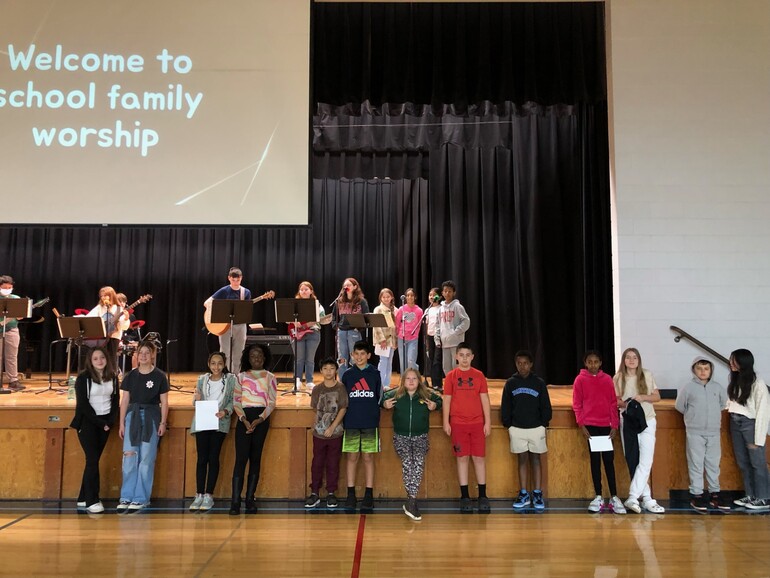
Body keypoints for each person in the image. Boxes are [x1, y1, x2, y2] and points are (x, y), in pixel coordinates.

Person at [382, 367, 442, 521]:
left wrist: (435, 406)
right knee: (408, 463)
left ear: (419, 381)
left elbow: (439, 400)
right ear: (403, 381)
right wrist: (384, 404)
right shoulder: (396, 394)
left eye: (414, 378)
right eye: (408, 378)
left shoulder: (426, 395)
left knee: (418, 463)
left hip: (420, 437)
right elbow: (382, 399)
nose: (411, 381)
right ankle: (412, 501)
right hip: (401, 437)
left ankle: (411, 500)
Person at [117, 340, 170, 513]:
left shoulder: (159, 376)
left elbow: (164, 402)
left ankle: (141, 498)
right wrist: (122, 423)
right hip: (132, 417)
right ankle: (127, 495)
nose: (144, 356)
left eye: (147, 353)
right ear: (137, 355)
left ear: (153, 355)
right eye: (141, 353)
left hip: (151, 417)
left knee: (146, 458)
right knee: (130, 457)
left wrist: (162, 422)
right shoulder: (131, 375)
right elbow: (125, 400)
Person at [573, 350, 625, 514]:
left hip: (606, 426)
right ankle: (598, 496)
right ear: (585, 363)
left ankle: (614, 497)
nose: (593, 365)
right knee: (595, 461)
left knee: (608, 461)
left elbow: (612, 402)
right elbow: (577, 404)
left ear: (600, 363)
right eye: (590, 362)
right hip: (591, 426)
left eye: (596, 361)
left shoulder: (607, 379)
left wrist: (614, 425)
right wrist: (582, 424)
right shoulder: (580, 380)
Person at [614, 347, 665, 514]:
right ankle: (647, 499)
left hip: (648, 420)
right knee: (633, 459)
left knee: (646, 460)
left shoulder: (647, 375)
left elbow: (657, 397)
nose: (631, 360)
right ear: (624, 360)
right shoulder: (618, 377)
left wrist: (643, 397)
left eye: (634, 357)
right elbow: (616, 401)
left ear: (638, 360)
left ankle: (633, 496)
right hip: (628, 421)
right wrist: (626, 403)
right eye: (628, 357)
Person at [675, 356, 730, 511]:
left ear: (711, 370)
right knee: (696, 463)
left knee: (713, 464)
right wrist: (693, 419)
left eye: (706, 369)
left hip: (713, 432)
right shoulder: (688, 388)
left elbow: (723, 404)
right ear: (694, 370)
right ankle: (696, 495)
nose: (703, 371)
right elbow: (680, 406)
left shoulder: (718, 388)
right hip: (695, 432)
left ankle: (715, 494)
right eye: (699, 368)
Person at [442, 342, 491, 513]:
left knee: (479, 458)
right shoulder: (451, 376)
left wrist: (488, 422)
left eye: (467, 355)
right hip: (458, 424)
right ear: (456, 357)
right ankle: (465, 496)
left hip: (477, 423)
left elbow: (484, 399)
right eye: (461, 355)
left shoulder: (478, 376)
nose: (464, 358)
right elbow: (446, 399)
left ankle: (483, 496)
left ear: (472, 357)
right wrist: (446, 421)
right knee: (462, 458)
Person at [70, 346, 119, 514]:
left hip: (105, 423)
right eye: (95, 358)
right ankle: (92, 500)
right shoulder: (83, 378)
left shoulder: (112, 377)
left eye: (102, 358)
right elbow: (83, 405)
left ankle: (83, 497)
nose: (100, 361)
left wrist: (110, 421)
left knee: (93, 460)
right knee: (92, 460)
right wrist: (100, 423)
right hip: (88, 423)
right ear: (90, 361)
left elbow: (115, 400)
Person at [501, 350, 552, 510]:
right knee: (522, 460)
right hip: (517, 427)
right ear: (516, 364)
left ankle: (537, 493)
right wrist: (508, 424)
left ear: (531, 364)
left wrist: (544, 422)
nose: (522, 366)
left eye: (525, 363)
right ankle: (523, 493)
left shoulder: (539, 383)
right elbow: (506, 406)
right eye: (519, 363)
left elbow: (545, 405)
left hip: (536, 427)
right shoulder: (511, 383)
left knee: (536, 460)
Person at [230, 343, 277, 515]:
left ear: (264, 358)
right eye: (252, 356)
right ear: (247, 359)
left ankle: (250, 499)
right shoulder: (241, 377)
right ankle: (235, 501)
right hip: (244, 419)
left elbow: (271, 403)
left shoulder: (270, 377)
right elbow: (236, 401)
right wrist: (243, 419)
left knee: (255, 458)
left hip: (261, 419)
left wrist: (259, 419)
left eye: (259, 356)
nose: (256, 359)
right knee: (241, 460)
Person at [189, 351, 236, 512]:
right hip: (203, 421)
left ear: (224, 365)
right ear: (209, 364)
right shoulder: (202, 379)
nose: (217, 366)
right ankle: (199, 494)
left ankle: (209, 494)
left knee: (213, 457)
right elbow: (195, 402)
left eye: (220, 363)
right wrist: (197, 399)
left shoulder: (230, 379)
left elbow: (232, 401)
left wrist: (226, 411)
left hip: (219, 422)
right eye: (213, 363)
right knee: (202, 459)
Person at [726, 348, 770, 510]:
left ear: (743, 362)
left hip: (749, 425)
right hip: (735, 422)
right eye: (731, 360)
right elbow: (734, 402)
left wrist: (758, 439)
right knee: (743, 462)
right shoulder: (736, 379)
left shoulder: (757, 383)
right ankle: (751, 494)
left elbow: (763, 412)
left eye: (734, 361)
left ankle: (764, 497)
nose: (731, 363)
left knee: (757, 463)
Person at [341, 340, 382, 511]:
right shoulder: (347, 375)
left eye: (362, 354)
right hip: (351, 422)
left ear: (369, 356)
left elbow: (379, 397)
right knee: (351, 457)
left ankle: (368, 493)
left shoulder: (375, 374)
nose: (359, 357)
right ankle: (350, 493)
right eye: (356, 354)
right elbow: (344, 399)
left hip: (369, 422)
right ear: (352, 355)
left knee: (367, 457)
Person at [305, 357, 348, 509]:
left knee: (332, 463)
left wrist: (332, 427)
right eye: (325, 368)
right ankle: (315, 492)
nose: (329, 371)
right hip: (319, 433)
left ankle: (331, 493)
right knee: (317, 463)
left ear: (336, 370)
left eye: (332, 368)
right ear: (321, 371)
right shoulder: (317, 389)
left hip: (335, 433)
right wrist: (319, 425)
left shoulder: (340, 388)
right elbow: (315, 409)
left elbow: (342, 408)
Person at [205, 267, 251, 375]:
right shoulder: (224, 290)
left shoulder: (246, 292)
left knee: (239, 353)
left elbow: (246, 310)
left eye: (238, 280)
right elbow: (207, 302)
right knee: (225, 352)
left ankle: (235, 376)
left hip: (240, 325)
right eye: (233, 280)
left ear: (241, 278)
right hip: (225, 326)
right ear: (229, 278)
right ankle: (224, 375)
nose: (235, 282)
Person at [331, 277, 369, 380]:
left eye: (349, 285)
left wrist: (359, 328)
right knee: (342, 358)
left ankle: (356, 379)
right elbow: (334, 316)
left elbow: (366, 317)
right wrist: (336, 326)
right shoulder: (339, 301)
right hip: (341, 332)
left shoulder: (361, 301)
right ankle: (343, 381)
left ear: (355, 287)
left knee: (355, 356)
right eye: (345, 285)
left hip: (354, 331)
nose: (346, 287)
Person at [288, 281, 325, 384]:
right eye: (301, 290)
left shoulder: (317, 305)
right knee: (299, 359)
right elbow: (286, 317)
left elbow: (321, 318)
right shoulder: (294, 303)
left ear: (311, 291)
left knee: (310, 359)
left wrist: (306, 325)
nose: (303, 291)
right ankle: (297, 381)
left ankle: (309, 381)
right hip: (297, 333)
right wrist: (294, 322)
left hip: (313, 333)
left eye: (306, 289)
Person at [435, 280, 470, 376]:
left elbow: (466, 321)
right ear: (442, 293)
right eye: (445, 291)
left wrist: (455, 332)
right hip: (445, 343)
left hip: (456, 343)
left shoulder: (458, 306)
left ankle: (458, 388)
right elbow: (437, 325)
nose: (447, 293)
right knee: (446, 367)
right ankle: (450, 387)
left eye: (450, 291)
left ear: (454, 293)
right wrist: (437, 339)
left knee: (456, 366)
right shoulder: (440, 309)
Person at [87, 285, 130, 364]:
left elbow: (124, 327)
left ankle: (111, 375)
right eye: (102, 296)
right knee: (100, 359)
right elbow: (88, 318)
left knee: (110, 360)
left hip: (113, 337)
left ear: (111, 296)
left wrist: (126, 318)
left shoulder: (118, 308)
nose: (103, 298)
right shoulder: (99, 307)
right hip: (100, 337)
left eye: (106, 295)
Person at [0, 275, 24, 392]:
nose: (8, 289)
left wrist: (20, 315)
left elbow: (20, 316)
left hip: (12, 330)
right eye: (5, 287)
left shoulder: (16, 298)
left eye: (10, 287)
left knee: (12, 356)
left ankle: (13, 380)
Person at [373, 288, 397, 389]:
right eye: (384, 297)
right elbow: (376, 326)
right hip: (382, 340)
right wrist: (382, 339)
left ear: (391, 297)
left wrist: (395, 341)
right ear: (381, 298)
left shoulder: (395, 309)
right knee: (383, 362)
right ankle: (381, 383)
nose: (386, 299)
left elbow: (396, 327)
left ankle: (387, 384)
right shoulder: (378, 309)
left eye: (388, 297)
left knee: (389, 362)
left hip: (391, 341)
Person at [395, 288, 423, 376]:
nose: (409, 297)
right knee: (403, 362)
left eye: (411, 295)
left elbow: (419, 325)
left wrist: (415, 334)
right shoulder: (401, 309)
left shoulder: (419, 310)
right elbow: (397, 323)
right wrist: (397, 335)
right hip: (401, 338)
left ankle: (414, 375)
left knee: (410, 360)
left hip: (413, 339)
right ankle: (404, 381)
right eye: (407, 295)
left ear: (415, 297)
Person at [424, 287, 443, 391]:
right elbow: (426, 325)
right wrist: (426, 340)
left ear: (439, 297)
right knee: (431, 360)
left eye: (434, 295)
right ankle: (433, 383)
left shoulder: (441, 308)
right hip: (430, 337)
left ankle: (438, 384)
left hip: (438, 337)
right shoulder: (428, 310)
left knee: (437, 360)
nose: (431, 297)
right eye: (430, 295)